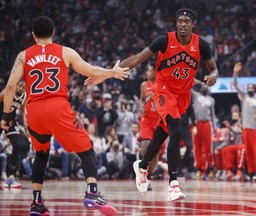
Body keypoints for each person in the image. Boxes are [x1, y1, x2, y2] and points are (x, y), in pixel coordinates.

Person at [0, 16, 129, 216]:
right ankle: (92, 193)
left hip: (33, 111)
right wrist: (112, 72)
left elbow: (10, 86)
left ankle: (36, 202)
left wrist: (7, 116)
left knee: (41, 155)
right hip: (56, 107)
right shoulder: (64, 52)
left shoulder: (23, 56)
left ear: (33, 35)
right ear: (53, 33)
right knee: (87, 150)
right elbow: (91, 70)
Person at [86, 8, 219, 201]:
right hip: (164, 90)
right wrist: (108, 73)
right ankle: (173, 184)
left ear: (193, 25)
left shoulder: (202, 45)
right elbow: (138, 59)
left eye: (186, 21)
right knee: (176, 130)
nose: (182, 24)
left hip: (183, 95)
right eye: (179, 20)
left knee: (161, 135)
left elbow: (214, 69)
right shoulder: (164, 40)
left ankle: (142, 166)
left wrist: (212, 77)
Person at [138, 63, 163, 190]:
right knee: (145, 148)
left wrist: (156, 97)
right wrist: (141, 108)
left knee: (155, 154)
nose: (147, 73)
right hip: (147, 120)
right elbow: (141, 101)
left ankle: (147, 177)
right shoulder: (144, 85)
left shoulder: (162, 85)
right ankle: (140, 168)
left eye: (149, 70)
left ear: (156, 72)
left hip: (159, 121)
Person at [233, 62, 256, 181]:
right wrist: (235, 73)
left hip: (255, 129)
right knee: (249, 153)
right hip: (246, 129)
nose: (249, 90)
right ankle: (251, 172)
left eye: (252, 88)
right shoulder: (245, 97)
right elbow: (236, 85)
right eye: (248, 88)